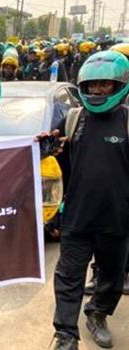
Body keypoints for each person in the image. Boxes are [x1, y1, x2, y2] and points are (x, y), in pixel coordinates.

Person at [49, 50, 129, 350]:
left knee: (111, 277)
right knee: (68, 278)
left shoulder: (127, 120)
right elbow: (58, 167)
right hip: (77, 218)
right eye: (92, 85)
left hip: (118, 220)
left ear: (119, 84)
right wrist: (47, 147)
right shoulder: (72, 119)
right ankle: (66, 334)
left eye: (105, 85)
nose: (97, 91)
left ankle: (97, 313)